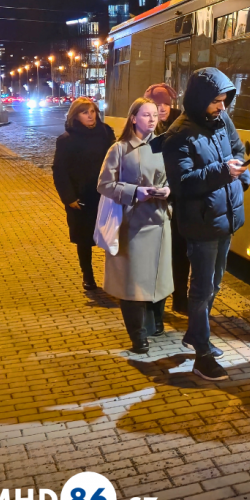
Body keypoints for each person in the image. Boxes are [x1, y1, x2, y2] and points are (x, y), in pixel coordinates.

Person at [162, 68, 250, 382]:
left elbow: (238, 151)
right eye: (216, 101)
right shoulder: (178, 134)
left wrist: (241, 179)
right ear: (200, 100)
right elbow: (183, 182)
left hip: (225, 218)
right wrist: (225, 172)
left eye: (224, 101)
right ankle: (202, 353)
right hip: (200, 223)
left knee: (214, 284)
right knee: (201, 289)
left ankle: (196, 336)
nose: (222, 107)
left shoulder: (222, 121)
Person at [97, 98, 173, 354]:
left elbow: (174, 177)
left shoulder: (163, 146)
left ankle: (156, 325)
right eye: (146, 115)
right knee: (132, 283)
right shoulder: (119, 149)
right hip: (132, 224)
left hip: (160, 221)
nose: (152, 119)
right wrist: (134, 192)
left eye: (155, 115)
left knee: (159, 278)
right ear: (133, 118)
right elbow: (104, 184)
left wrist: (168, 191)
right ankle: (138, 336)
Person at [52, 97, 116, 291]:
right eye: (84, 112)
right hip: (81, 197)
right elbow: (59, 170)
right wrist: (69, 197)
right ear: (75, 115)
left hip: (105, 194)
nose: (90, 116)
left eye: (92, 111)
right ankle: (88, 276)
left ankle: (114, 278)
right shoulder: (67, 139)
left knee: (112, 237)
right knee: (84, 239)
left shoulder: (106, 133)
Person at [146, 82, 189, 314]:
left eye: (166, 103)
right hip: (153, 201)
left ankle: (180, 297)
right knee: (157, 253)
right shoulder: (144, 127)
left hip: (178, 198)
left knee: (180, 251)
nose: (162, 108)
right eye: (157, 104)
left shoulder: (181, 124)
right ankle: (156, 301)